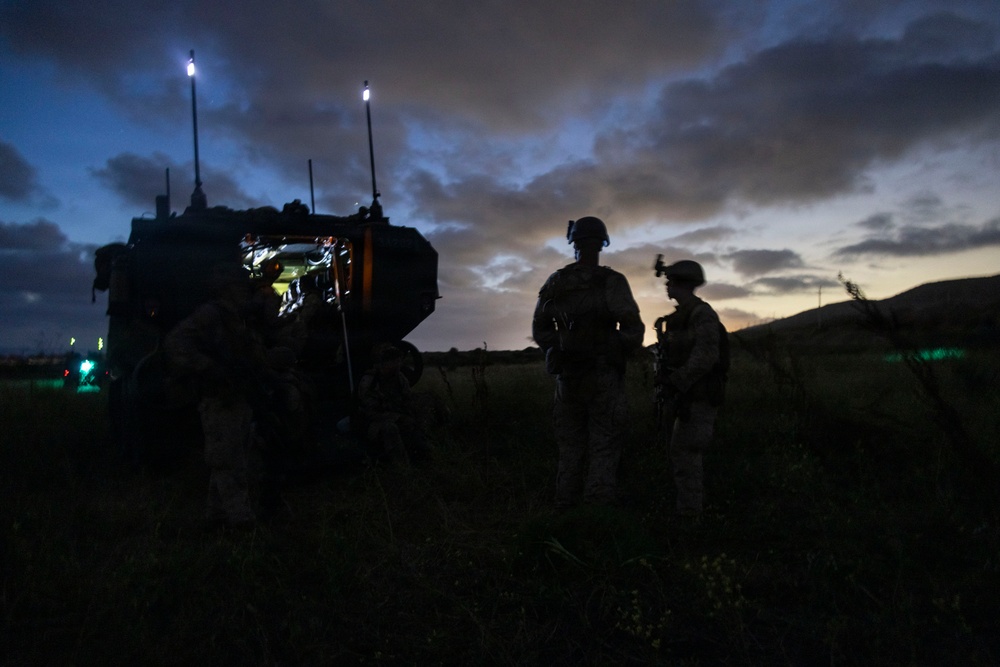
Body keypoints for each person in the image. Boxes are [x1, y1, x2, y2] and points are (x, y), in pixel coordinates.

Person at [532, 216, 645, 509]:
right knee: (604, 443)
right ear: (602, 244)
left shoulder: (556, 281)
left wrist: (560, 349)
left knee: (570, 446)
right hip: (602, 375)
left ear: (574, 243)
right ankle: (597, 510)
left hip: (567, 378)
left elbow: (540, 329)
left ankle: (565, 506)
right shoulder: (613, 281)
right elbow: (634, 331)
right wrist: (612, 347)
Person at [164, 265, 268, 528]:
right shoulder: (212, 314)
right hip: (219, 398)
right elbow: (175, 343)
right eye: (240, 287)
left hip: (237, 396)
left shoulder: (237, 317)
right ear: (228, 289)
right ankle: (241, 520)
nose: (246, 292)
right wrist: (209, 367)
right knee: (228, 460)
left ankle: (217, 515)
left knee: (232, 456)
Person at [654, 259, 725, 517]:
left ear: (683, 284)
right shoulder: (680, 317)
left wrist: (676, 381)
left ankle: (690, 518)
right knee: (679, 453)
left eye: (671, 281)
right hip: (684, 397)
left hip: (698, 397)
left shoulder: (701, 314)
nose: (667, 286)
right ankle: (685, 511)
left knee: (687, 455)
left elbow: (706, 357)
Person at [355, 344, 430, 464]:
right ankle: (402, 467)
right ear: (386, 362)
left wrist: (414, 412)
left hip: (397, 416)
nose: (399, 365)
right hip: (371, 424)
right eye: (395, 361)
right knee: (390, 428)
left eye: (400, 361)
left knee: (417, 422)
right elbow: (370, 412)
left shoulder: (400, 378)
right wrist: (398, 417)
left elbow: (407, 398)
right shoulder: (370, 381)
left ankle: (423, 459)